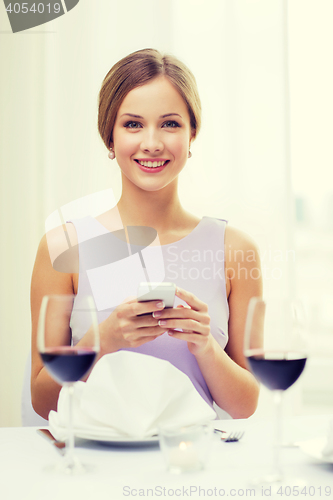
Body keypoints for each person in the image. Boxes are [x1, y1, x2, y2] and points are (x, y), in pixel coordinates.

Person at [30, 48, 262, 421]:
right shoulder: (63, 247)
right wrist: (100, 341)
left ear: (192, 134)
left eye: (170, 124)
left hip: (192, 466)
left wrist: (205, 346)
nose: (152, 143)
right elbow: (42, 401)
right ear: (109, 137)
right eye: (133, 124)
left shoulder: (235, 249)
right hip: (93, 471)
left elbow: (245, 404)